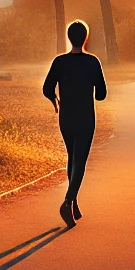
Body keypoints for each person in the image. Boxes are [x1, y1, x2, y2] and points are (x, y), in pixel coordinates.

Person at [42, 19, 106, 228]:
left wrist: (55, 101)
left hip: (66, 118)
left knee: (72, 158)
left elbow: (47, 88)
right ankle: (67, 202)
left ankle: (74, 204)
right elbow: (101, 95)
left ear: (69, 38)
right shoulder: (92, 62)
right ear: (85, 38)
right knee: (80, 161)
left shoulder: (59, 62)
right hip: (85, 118)